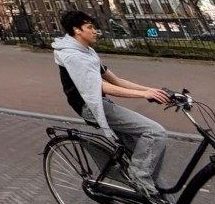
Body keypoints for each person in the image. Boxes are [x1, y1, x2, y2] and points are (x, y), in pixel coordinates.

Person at [53, 10, 171, 203]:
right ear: (77, 30)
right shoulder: (72, 56)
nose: (95, 31)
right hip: (90, 107)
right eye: (90, 27)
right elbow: (100, 86)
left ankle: (148, 188)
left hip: (101, 103)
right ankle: (138, 177)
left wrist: (151, 90)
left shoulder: (87, 52)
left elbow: (116, 80)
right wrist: (143, 95)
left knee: (148, 161)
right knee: (155, 132)